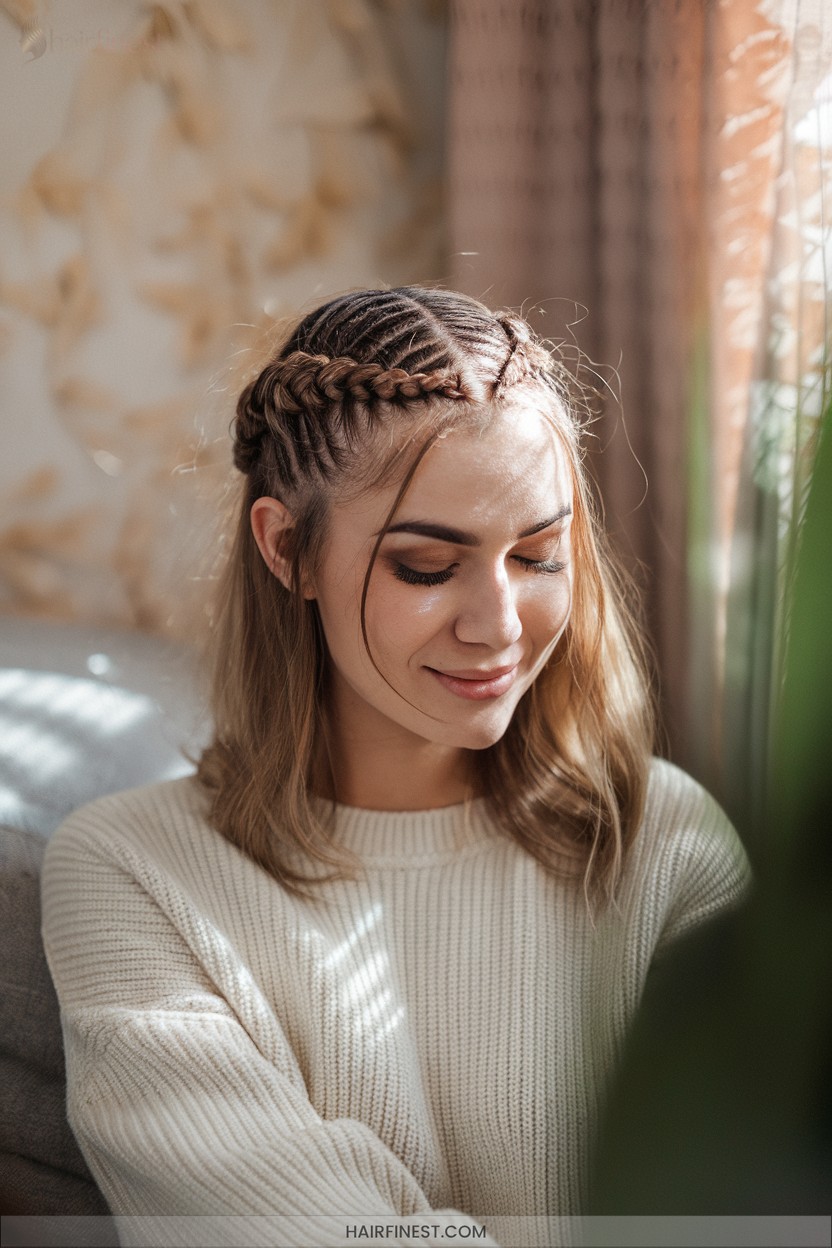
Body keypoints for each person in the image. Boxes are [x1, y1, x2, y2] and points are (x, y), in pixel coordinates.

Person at [41, 287, 750, 1248]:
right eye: (426, 565)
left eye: (539, 554)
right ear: (286, 548)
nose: (499, 625)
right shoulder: (133, 874)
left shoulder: (661, 843)